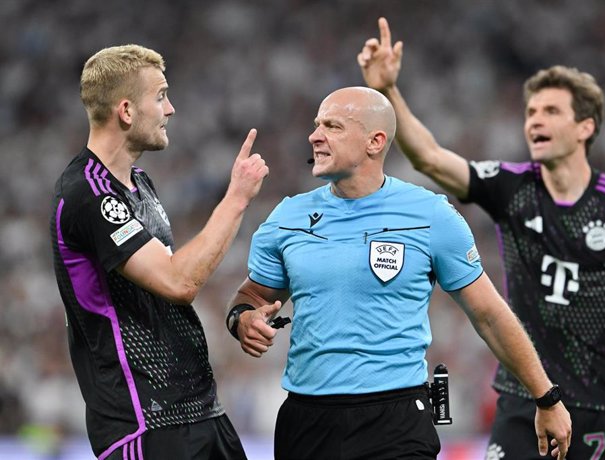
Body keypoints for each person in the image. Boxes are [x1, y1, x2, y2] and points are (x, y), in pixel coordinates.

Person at [357, 17, 605, 459]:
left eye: (551, 111)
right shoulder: (512, 187)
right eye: (531, 111)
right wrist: (389, 92)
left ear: (585, 127)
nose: (535, 119)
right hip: (526, 397)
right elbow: (431, 160)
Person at [225, 86, 571, 460]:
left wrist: (547, 397)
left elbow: (489, 314)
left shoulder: (430, 216)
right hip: (307, 422)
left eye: (333, 126)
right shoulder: (287, 217)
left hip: (395, 422)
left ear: (375, 142)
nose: (314, 135)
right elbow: (251, 298)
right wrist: (243, 320)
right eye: (316, 125)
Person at [49, 44, 268, 460]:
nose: (170, 109)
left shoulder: (138, 184)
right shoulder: (86, 194)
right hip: (142, 422)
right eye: (162, 96)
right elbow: (177, 281)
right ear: (127, 111)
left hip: (199, 410)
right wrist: (237, 197)